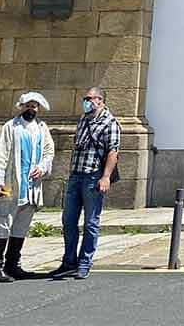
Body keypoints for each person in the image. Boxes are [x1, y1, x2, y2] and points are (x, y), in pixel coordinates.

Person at [51, 86, 119, 280]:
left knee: (91, 222)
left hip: (93, 177)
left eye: (90, 98)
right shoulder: (83, 119)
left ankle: (84, 262)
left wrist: (105, 176)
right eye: (85, 98)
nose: (86, 101)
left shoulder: (110, 122)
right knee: (68, 220)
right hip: (76, 175)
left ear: (100, 100)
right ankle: (69, 261)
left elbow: (113, 151)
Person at [0, 92, 55, 283]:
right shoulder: (11, 127)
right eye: (28, 105)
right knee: (4, 221)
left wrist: (42, 167)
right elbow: (1, 154)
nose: (31, 108)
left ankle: (13, 264)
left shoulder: (42, 128)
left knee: (22, 224)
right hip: (10, 183)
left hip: (32, 185)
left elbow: (49, 151)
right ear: (21, 106)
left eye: (34, 106)